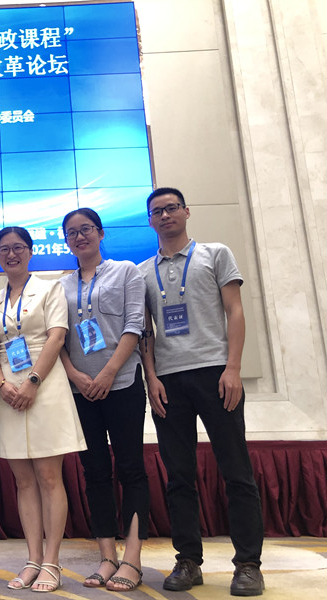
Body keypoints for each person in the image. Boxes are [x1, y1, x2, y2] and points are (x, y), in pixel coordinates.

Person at [139, 187, 264, 596]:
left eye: (172, 208)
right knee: (179, 476)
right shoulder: (143, 272)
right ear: (150, 220)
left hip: (216, 374)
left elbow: (235, 311)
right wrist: (151, 378)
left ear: (187, 212)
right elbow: (146, 332)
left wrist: (233, 368)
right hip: (168, 382)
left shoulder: (215, 254)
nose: (165, 215)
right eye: (157, 211)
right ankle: (188, 561)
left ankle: (248, 565)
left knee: (236, 472)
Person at [0, 227, 86, 593]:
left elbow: (56, 337)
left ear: (30, 252)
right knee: (24, 481)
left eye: (18, 248)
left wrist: (32, 382)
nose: (11, 254)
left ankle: (52, 562)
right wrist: (1, 384)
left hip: (44, 386)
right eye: (4, 249)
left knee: (48, 477)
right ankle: (32, 559)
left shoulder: (50, 289)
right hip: (7, 391)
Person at [57, 208, 150, 592]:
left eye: (86, 230)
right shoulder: (61, 285)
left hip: (123, 384)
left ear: (100, 233)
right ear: (66, 240)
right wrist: (75, 375)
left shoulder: (126, 271)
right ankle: (107, 556)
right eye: (72, 233)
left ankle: (133, 559)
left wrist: (109, 372)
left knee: (131, 469)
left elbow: (135, 324)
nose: (79, 237)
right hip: (80, 391)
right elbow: (56, 338)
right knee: (94, 472)